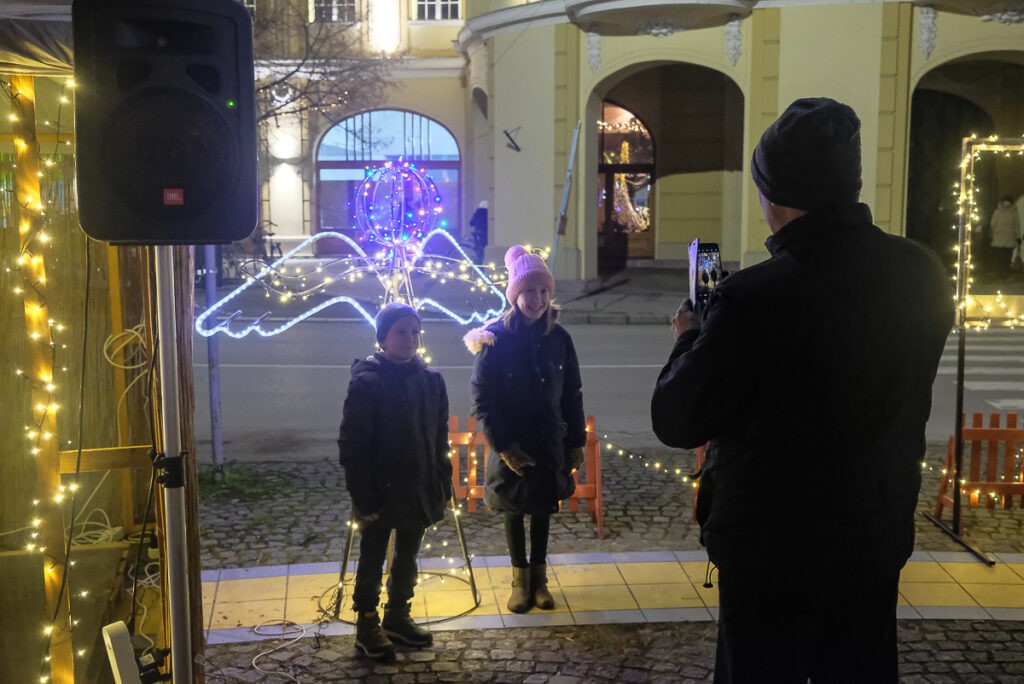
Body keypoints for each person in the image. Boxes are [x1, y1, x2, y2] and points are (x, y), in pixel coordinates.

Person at [650, 98, 953, 683]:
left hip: (769, 550)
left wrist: (689, 338)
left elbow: (676, 417)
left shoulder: (751, 300)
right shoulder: (922, 273)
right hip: (872, 532)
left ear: (775, 195)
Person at [463, 245, 586, 613]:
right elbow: (483, 399)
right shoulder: (494, 339)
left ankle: (540, 580)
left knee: (543, 508)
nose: (537, 299)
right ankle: (519, 580)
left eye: (543, 291)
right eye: (529, 291)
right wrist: (504, 445)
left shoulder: (560, 339)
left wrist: (575, 441)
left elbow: (572, 394)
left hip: (548, 440)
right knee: (514, 509)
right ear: (515, 295)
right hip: (511, 443)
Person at [338, 302, 453, 660]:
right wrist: (364, 497)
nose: (409, 338)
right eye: (400, 332)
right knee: (372, 555)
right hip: (380, 491)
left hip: (418, 488)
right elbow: (353, 444)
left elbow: (439, 437)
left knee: (408, 555)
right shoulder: (368, 383)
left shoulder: (431, 381)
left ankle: (398, 614)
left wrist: (442, 481)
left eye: (415, 332)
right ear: (383, 338)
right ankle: (366, 621)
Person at [989, 195, 1020, 280]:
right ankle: (1003, 274)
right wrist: (1018, 237)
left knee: (1002, 258)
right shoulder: (1013, 213)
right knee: (1005, 258)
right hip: (1007, 238)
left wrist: (995, 232)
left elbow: (992, 224)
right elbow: (1016, 226)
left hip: (1000, 238)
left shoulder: (998, 212)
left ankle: (1001, 274)